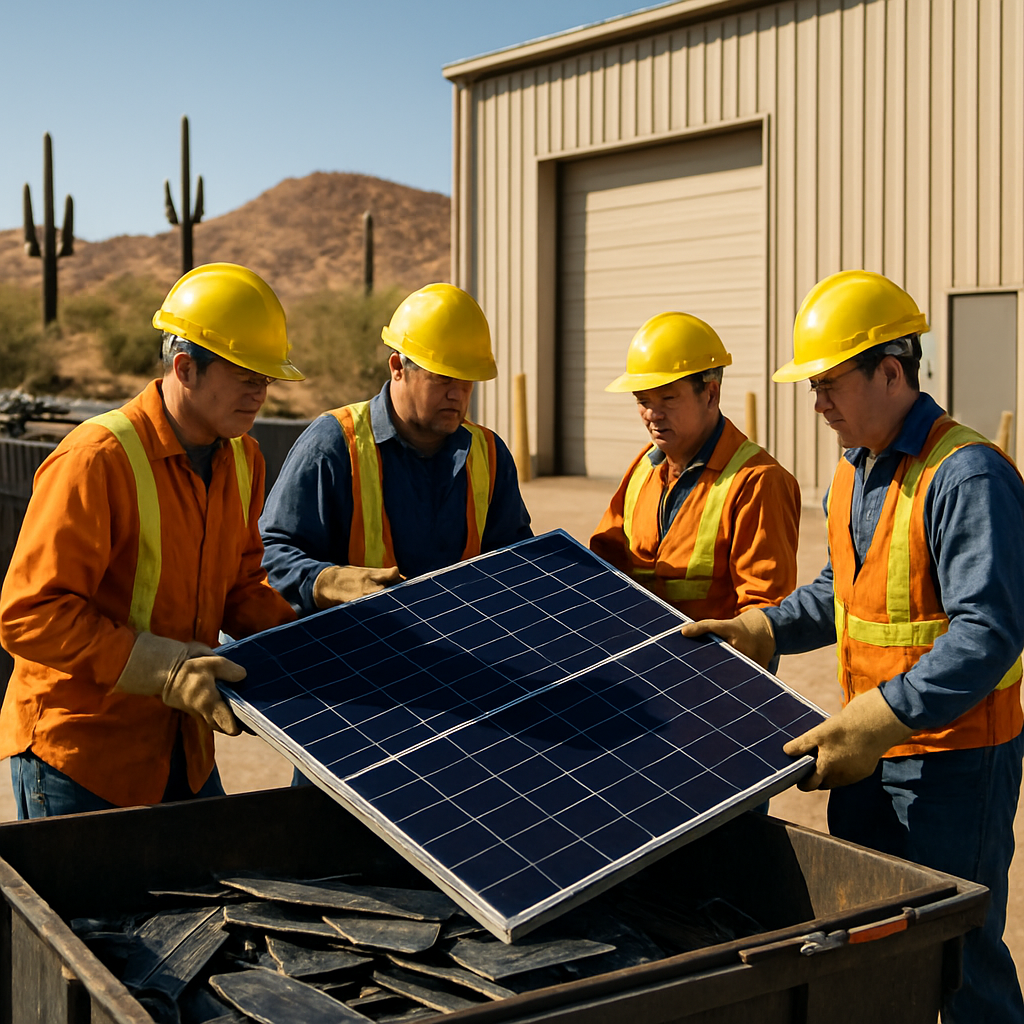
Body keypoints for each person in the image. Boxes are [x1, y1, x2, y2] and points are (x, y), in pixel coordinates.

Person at [681, 270, 1024, 1023]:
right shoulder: (855, 468)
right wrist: (765, 626)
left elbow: (989, 633)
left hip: (953, 766)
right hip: (870, 757)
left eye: (830, 383)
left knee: (960, 959)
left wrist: (880, 717)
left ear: (892, 372)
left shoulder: (965, 476)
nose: (818, 404)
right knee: (874, 953)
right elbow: (844, 592)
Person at [0, 262, 303, 817]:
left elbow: (239, 586)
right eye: (248, 377)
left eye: (268, 379)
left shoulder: (242, 458)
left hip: (180, 749)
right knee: (96, 909)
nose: (263, 394)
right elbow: (30, 615)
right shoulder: (96, 460)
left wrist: (313, 646)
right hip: (84, 754)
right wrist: (164, 669)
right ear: (186, 368)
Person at [260, 282, 532, 616]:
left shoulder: (489, 454)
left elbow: (517, 562)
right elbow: (270, 554)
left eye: (467, 382)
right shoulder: (333, 444)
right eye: (443, 378)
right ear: (397, 368)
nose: (457, 395)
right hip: (357, 650)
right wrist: (325, 581)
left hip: (460, 647)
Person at [590, 311, 800, 635]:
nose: (652, 414)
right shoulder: (644, 468)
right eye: (642, 400)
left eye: (668, 398)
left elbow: (761, 617)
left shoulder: (757, 481)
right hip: (640, 666)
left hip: (712, 677)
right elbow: (604, 564)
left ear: (711, 393)